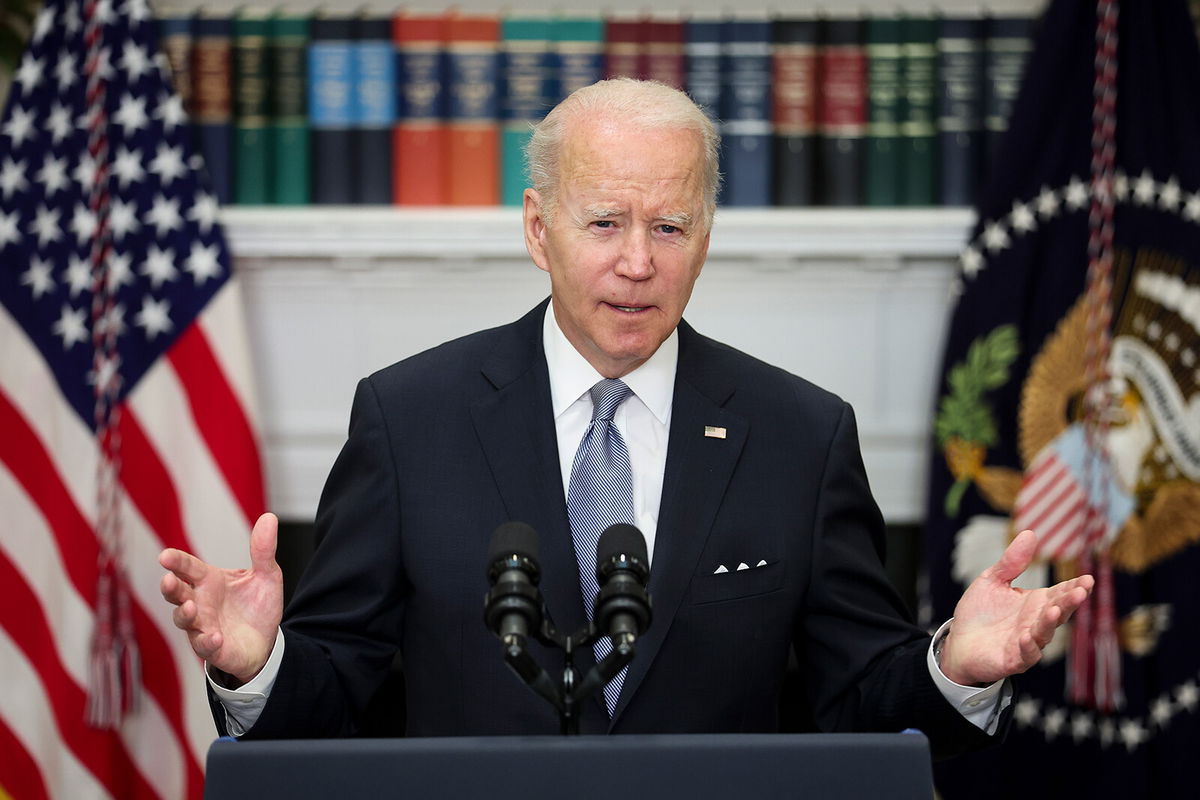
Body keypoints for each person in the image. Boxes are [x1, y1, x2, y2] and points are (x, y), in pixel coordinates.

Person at [159, 79, 1093, 758]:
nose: (638, 263)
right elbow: (335, 700)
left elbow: (862, 701)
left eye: (671, 227)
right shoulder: (410, 419)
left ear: (707, 237)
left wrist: (955, 668)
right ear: (538, 229)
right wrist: (258, 667)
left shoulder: (802, 435)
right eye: (604, 222)